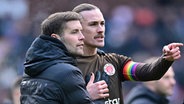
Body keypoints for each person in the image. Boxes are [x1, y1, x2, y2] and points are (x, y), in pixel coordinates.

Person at [72, 3, 183, 104]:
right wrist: (85, 96)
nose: (100, 29)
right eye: (93, 24)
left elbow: (150, 72)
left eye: (102, 23)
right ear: (78, 29)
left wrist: (166, 59)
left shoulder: (114, 62)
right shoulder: (65, 68)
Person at [20, 11, 94, 104]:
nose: (82, 37)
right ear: (55, 38)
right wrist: (88, 95)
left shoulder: (29, 71)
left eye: (81, 31)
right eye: (74, 32)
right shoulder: (67, 73)